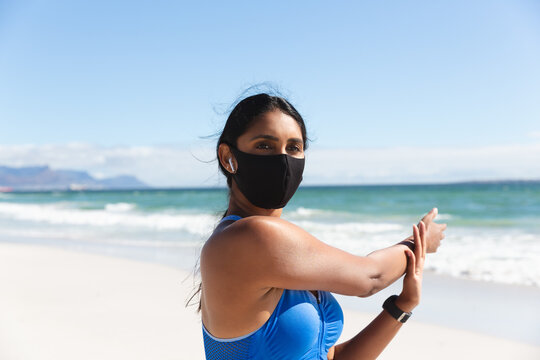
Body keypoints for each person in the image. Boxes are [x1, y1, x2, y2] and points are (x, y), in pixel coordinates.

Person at [194, 93, 446, 359]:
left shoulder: (261, 244)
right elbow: (369, 278)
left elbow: (326, 356)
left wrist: (402, 306)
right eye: (265, 146)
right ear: (227, 156)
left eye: (293, 147)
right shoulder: (251, 236)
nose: (282, 160)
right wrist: (421, 241)